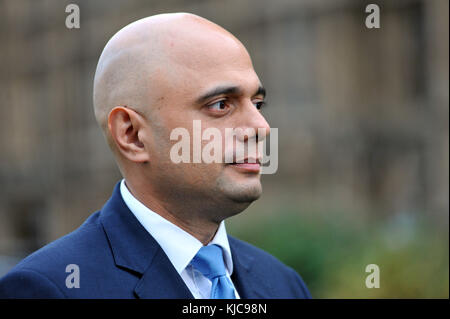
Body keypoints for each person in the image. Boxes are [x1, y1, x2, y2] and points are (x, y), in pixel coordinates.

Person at [0, 13, 311, 299]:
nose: (261, 128)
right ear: (132, 135)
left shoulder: (284, 284)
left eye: (257, 104)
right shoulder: (49, 289)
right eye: (221, 105)